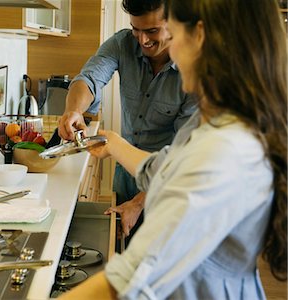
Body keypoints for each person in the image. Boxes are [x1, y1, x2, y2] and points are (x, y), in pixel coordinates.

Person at [59, 0, 287, 298]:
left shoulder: (223, 149)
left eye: (174, 35)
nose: (173, 50)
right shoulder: (221, 120)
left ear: (200, 36)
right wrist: (114, 144)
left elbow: (131, 279)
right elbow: (165, 169)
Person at [58, 0, 197, 244]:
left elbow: (183, 155)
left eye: (152, 31)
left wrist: (138, 203)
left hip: (166, 186)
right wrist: (74, 111)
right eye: (136, 29)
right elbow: (89, 78)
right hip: (125, 176)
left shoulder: (192, 70)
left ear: (174, 23)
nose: (142, 40)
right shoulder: (123, 43)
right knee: (123, 248)